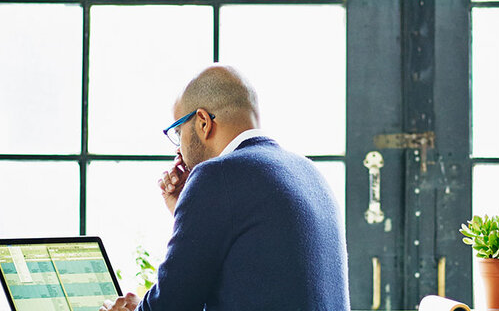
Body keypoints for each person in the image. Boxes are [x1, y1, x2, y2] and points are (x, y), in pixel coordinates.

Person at [98, 64, 348, 311]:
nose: (178, 148)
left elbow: (170, 304)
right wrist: (186, 211)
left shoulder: (216, 176)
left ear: (203, 122)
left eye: (178, 131)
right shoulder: (309, 172)